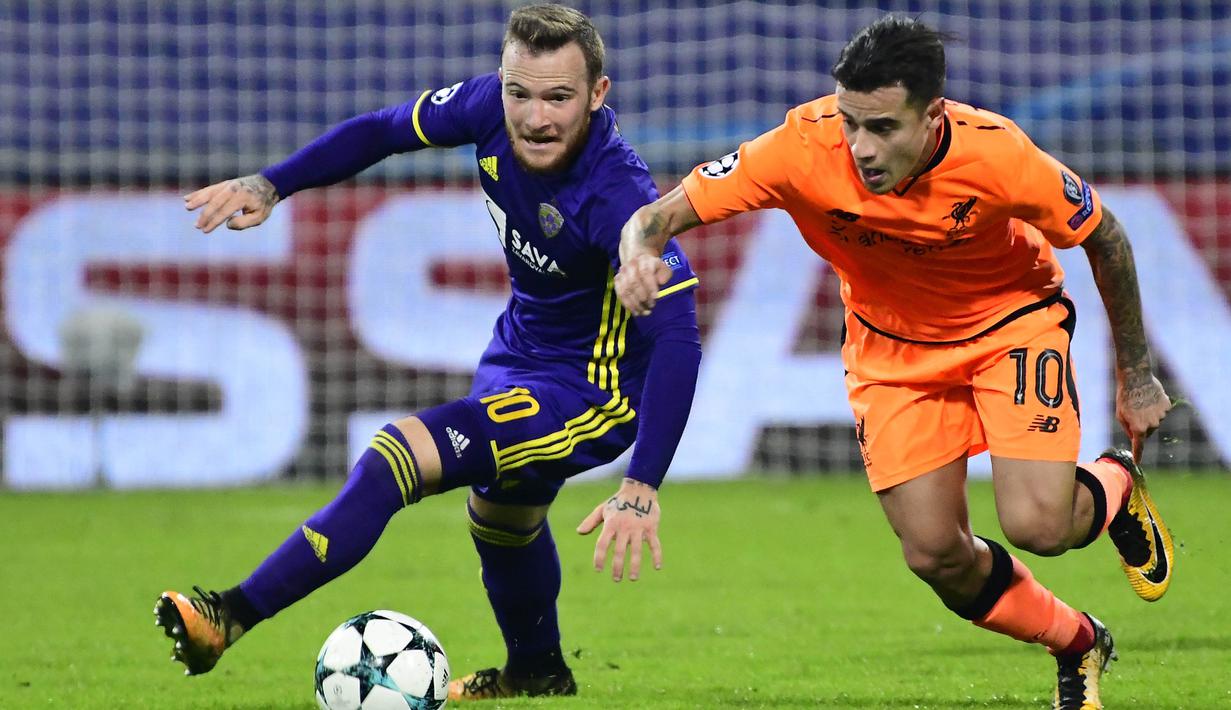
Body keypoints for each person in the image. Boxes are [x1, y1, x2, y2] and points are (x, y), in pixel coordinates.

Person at [614, 15, 1172, 710]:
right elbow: (655, 218)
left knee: (1039, 527)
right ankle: (1078, 642)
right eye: (850, 122)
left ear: (932, 114)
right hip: (890, 349)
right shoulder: (798, 146)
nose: (859, 146)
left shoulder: (999, 156)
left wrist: (1137, 373)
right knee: (935, 555)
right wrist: (636, 254)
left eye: (882, 128)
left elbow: (1106, 238)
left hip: (1008, 324)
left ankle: (1113, 479)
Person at [156, 4, 702, 701]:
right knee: (502, 521)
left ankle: (228, 615)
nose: (534, 117)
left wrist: (642, 484)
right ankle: (538, 673)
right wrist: (271, 183)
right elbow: (382, 130)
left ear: (598, 94)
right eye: (519, 92)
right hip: (516, 352)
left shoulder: (616, 191)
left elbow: (677, 333)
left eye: (558, 98)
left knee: (398, 454)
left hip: (590, 394)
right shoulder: (486, 106)